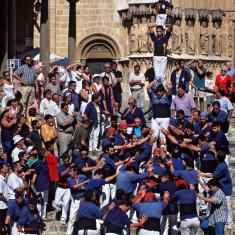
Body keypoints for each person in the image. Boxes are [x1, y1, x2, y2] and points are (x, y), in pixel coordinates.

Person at [66, 166, 88, 235]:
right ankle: (69, 233)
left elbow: (88, 182)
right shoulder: (69, 179)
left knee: (83, 217)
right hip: (75, 200)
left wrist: (86, 186)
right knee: (72, 218)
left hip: (83, 200)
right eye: (69, 171)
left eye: (71, 171)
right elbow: (74, 187)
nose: (70, 173)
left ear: (75, 172)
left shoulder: (83, 177)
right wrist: (83, 183)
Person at [53, 153, 71, 225]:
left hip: (68, 188)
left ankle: (63, 219)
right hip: (60, 187)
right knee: (56, 203)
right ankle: (64, 206)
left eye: (68, 161)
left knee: (66, 203)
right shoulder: (60, 167)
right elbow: (61, 174)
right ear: (63, 161)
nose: (66, 162)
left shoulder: (72, 166)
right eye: (65, 161)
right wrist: (69, 169)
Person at [0, 164, 8, 232]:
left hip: (4, 206)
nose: (7, 167)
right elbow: (0, 195)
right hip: (1, 206)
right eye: (5, 167)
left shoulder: (4, 178)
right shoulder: (0, 179)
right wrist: (7, 201)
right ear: (1, 169)